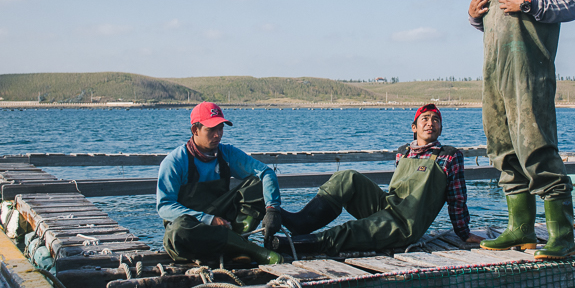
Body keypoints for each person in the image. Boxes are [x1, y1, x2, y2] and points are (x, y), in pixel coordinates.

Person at [451, 0, 575, 259]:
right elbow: (501, 24)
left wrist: (527, 2)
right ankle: (520, 231)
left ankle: (562, 238)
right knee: (502, 148)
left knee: (536, 147)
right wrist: (475, 17)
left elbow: (572, 4)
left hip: (528, 75)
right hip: (495, 75)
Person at [272, 104, 484, 256]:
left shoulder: (449, 156)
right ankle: (301, 224)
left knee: (350, 230)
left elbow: (457, 199)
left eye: (436, 120)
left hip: (404, 225)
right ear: (414, 127)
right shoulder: (403, 152)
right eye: (425, 119)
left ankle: (288, 245)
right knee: (347, 177)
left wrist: (464, 233)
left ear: (441, 128)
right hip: (388, 207)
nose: (431, 123)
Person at [157, 102, 283, 264]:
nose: (218, 135)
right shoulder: (174, 162)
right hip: (192, 224)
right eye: (211, 130)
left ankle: (237, 238)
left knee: (258, 183)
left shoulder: (227, 153)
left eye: (221, 128)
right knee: (179, 231)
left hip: (222, 219)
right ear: (195, 130)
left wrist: (273, 209)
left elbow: (266, 172)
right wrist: (207, 219)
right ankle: (247, 249)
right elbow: (164, 207)